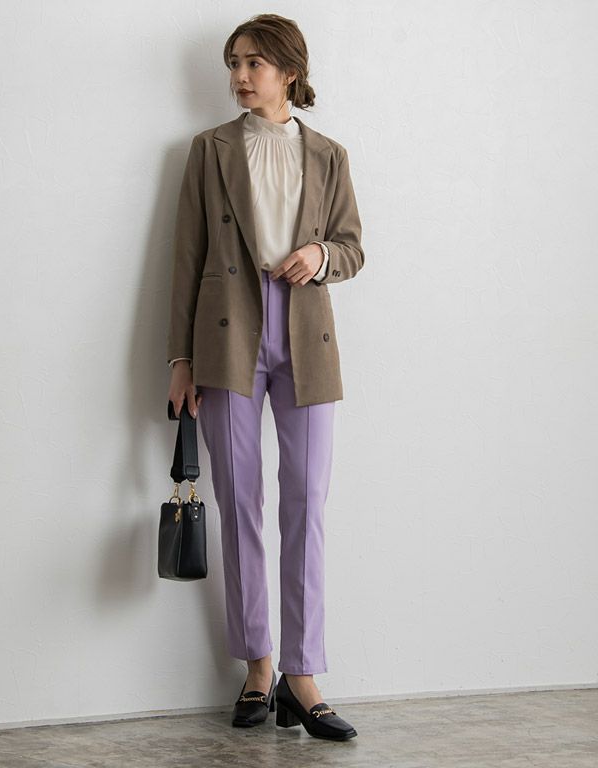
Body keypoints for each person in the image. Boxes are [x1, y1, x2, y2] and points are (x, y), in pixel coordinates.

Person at [166, 14, 364, 741]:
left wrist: (320, 255)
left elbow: (353, 247)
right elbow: (185, 256)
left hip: (306, 335)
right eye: (234, 63)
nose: (240, 76)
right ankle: (258, 666)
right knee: (239, 500)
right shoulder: (209, 149)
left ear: (289, 71)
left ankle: (302, 677)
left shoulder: (330, 154)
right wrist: (180, 358)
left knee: (306, 502)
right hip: (227, 337)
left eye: (254, 63)